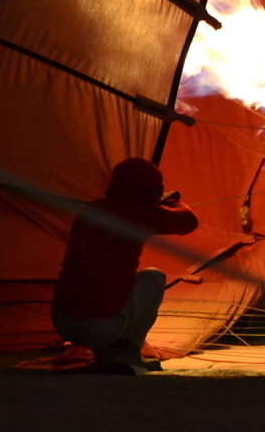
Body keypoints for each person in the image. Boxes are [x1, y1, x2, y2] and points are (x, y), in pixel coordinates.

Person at [52, 158, 199, 375]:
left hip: (61, 318)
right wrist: (173, 203)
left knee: (100, 288)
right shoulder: (141, 213)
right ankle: (126, 356)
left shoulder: (92, 208)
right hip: (98, 328)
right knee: (154, 277)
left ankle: (104, 354)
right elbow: (188, 221)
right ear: (153, 188)